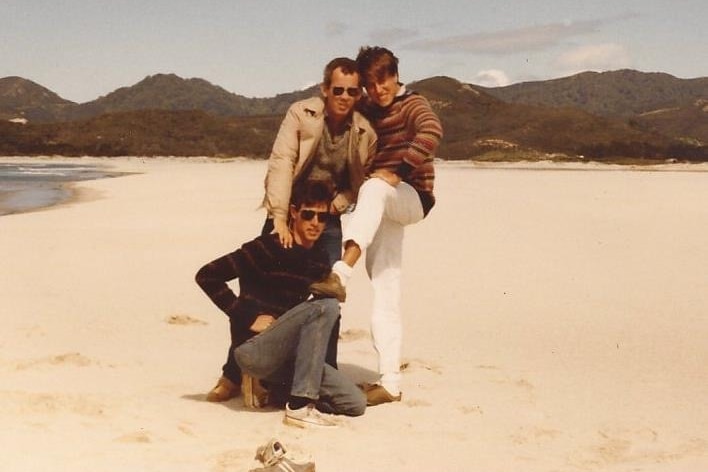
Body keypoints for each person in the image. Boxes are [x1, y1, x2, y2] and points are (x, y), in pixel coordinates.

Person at [311, 46, 443, 406]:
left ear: (396, 75)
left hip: (412, 197)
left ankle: (341, 272)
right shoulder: (368, 107)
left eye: (383, 79)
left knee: (374, 186)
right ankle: (390, 382)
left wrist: (397, 172)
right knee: (386, 287)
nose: (378, 88)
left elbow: (431, 132)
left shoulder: (414, 104)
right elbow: (336, 110)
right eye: (371, 83)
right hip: (382, 203)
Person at [195, 181, 366, 427]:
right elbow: (207, 275)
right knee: (327, 304)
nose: (315, 223)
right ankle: (298, 407)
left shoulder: (318, 260)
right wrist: (248, 316)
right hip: (253, 350)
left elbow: (318, 325)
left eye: (322, 216)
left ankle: (274, 389)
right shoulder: (267, 247)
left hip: (285, 357)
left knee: (354, 403)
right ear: (294, 212)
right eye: (308, 214)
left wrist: (325, 368)